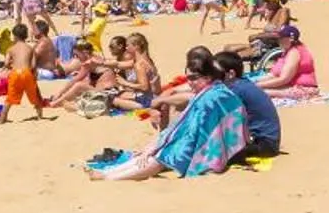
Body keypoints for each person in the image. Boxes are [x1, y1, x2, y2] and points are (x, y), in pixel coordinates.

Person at [93, 66, 247, 181]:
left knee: (162, 157)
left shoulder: (213, 96)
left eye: (193, 78)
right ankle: (110, 172)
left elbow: (205, 127)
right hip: (192, 139)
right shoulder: (210, 93)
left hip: (199, 145)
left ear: (207, 78)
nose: (190, 82)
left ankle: (110, 177)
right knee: (156, 151)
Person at [213, 51, 281, 159]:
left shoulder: (236, 90)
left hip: (264, 145)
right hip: (267, 142)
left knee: (213, 153)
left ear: (230, 74)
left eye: (215, 73)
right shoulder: (241, 84)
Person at [256, 25, 322, 100]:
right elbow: (273, 75)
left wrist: (257, 85)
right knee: (254, 90)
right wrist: (256, 81)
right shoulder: (287, 51)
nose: (279, 41)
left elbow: (284, 79)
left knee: (260, 93)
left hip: (303, 89)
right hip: (292, 86)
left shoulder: (294, 52)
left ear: (291, 39)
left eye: (281, 38)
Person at [1, 25, 49, 121]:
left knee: (9, 98)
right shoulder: (30, 49)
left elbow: (6, 63)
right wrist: (33, 75)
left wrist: (11, 66)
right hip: (27, 73)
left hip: (15, 73)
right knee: (35, 96)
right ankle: (40, 116)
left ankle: (3, 118)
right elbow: (34, 65)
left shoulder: (11, 49)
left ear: (14, 36)